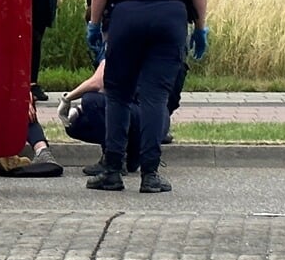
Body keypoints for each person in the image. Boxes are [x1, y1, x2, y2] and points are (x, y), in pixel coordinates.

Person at [86, 0, 209, 193]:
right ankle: (150, 174)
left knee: (118, 94)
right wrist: (200, 27)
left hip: (127, 18)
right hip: (170, 18)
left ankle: (113, 170)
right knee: (155, 96)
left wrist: (94, 24)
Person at [59, 59, 188, 174]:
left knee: (90, 101)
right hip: (158, 119)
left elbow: (97, 83)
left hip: (139, 114)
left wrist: (67, 99)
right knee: (76, 123)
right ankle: (132, 157)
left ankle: (113, 159)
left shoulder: (124, 40)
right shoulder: (164, 48)